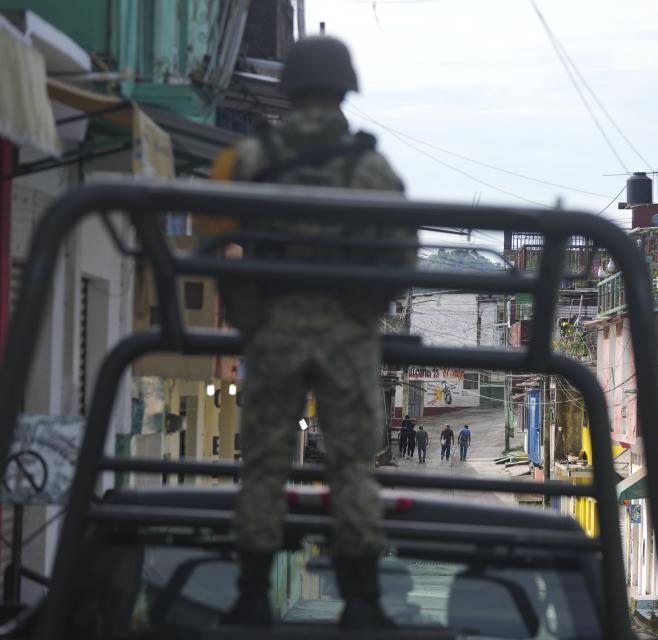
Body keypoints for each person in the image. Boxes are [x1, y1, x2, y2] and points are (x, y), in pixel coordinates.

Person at [204, 36, 415, 629]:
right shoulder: (370, 168)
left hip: (273, 333)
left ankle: (249, 596)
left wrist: (252, 318)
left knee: (264, 465)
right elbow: (401, 258)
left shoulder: (250, 159)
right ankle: (363, 601)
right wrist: (359, 313)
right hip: (347, 337)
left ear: (290, 90)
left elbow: (221, 245)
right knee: (351, 467)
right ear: (346, 89)